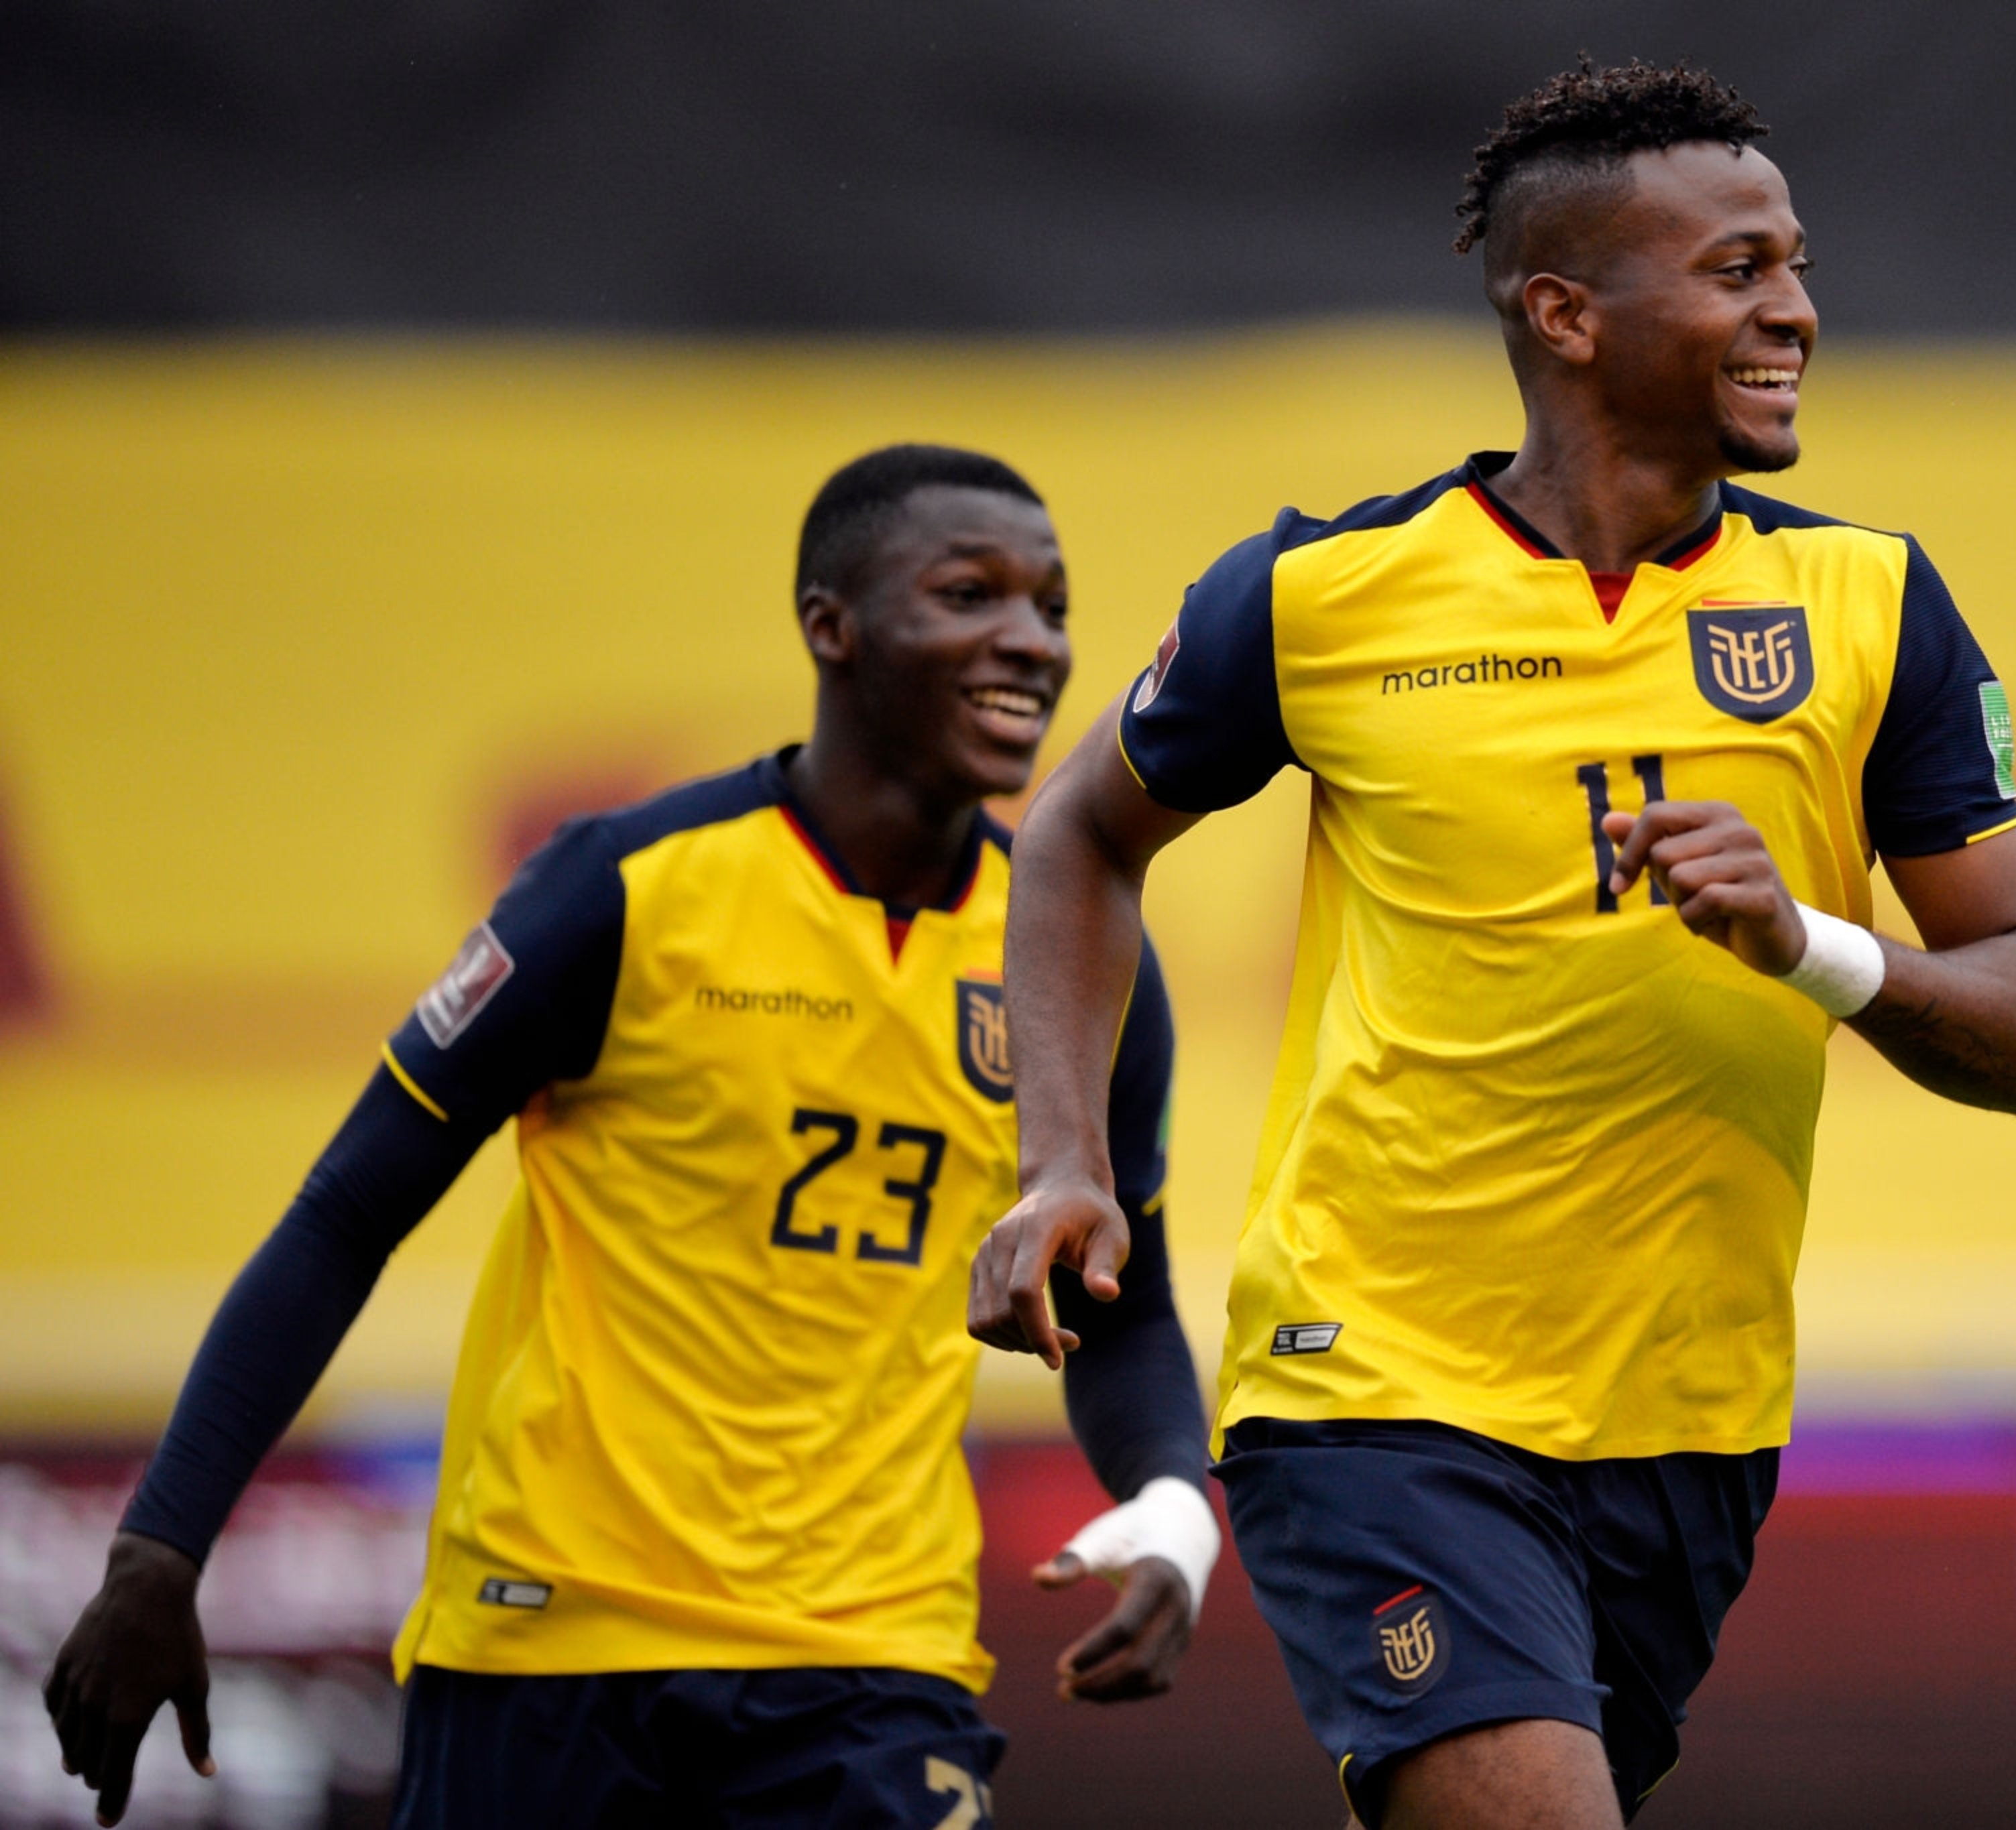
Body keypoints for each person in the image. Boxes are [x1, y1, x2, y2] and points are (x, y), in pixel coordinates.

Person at [969, 60, 2016, 1830]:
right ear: (1566, 314)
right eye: (1736, 270)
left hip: (1689, 1426)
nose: (1795, 312)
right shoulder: (1321, 596)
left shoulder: (1870, 604)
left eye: (1796, 266)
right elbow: (1077, 832)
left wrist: (1811, 942)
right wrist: (1063, 1160)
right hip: (1373, 1390)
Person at [46, 444, 1220, 1828]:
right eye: (971, 595)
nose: (1031, 641)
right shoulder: (622, 888)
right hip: (552, 1639)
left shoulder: (1081, 955)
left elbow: (1121, 1297)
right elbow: (346, 1216)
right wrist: (161, 1549)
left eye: (1052, 607)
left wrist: (1170, 1499)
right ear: (831, 625)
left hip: (868, 1658)